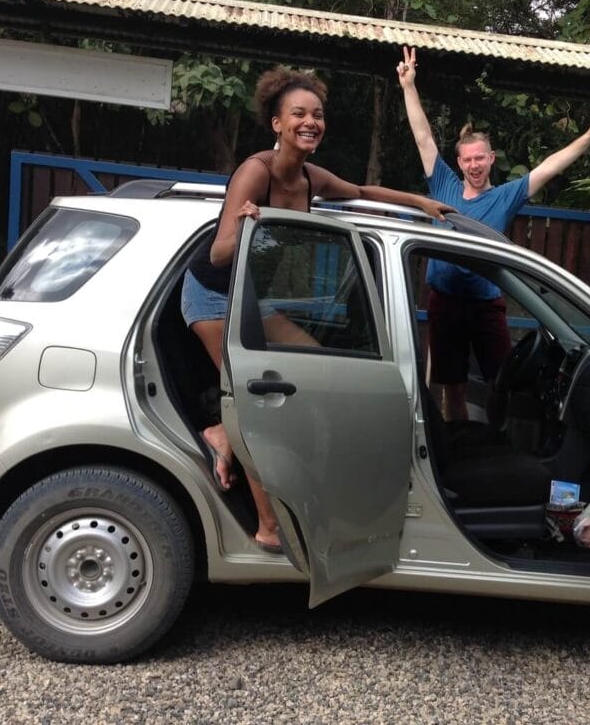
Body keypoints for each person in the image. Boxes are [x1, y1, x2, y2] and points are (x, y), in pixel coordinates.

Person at [183, 66, 455, 553]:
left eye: (317, 115)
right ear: (277, 124)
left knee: (307, 372)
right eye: (299, 114)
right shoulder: (255, 171)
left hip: (249, 295)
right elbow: (221, 252)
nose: (311, 122)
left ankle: (220, 433)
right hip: (211, 295)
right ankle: (266, 525)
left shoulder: (310, 177)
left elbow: (363, 192)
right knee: (253, 405)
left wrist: (421, 201)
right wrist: (249, 226)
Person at [396, 46, 590, 422]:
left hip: (485, 304)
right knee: (451, 386)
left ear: (491, 158)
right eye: (468, 159)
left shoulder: (505, 196)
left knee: (500, 382)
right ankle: (459, 445)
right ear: (459, 162)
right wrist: (409, 86)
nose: (474, 164)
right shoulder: (443, 185)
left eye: (481, 157)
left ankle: (495, 443)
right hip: (444, 302)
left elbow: (548, 167)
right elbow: (422, 138)